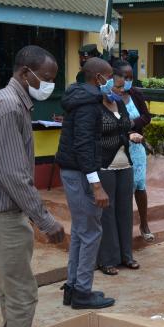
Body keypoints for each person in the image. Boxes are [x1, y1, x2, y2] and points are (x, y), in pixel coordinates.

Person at [0, 46, 66, 327]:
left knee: (12, 286)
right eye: (46, 78)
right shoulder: (9, 107)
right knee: (23, 294)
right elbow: (14, 176)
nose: (49, 86)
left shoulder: (12, 102)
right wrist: (45, 220)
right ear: (25, 73)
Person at [55, 57, 115, 310]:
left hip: (73, 171)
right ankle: (82, 292)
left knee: (81, 230)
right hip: (80, 173)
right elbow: (83, 145)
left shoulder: (80, 97)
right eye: (110, 76)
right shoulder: (88, 104)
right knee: (91, 232)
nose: (112, 81)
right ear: (98, 77)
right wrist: (97, 185)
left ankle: (73, 286)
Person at [95, 67, 137, 275]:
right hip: (105, 165)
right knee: (107, 213)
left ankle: (126, 255)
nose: (121, 90)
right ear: (106, 85)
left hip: (125, 164)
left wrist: (131, 134)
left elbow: (125, 127)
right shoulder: (95, 106)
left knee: (125, 211)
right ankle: (107, 259)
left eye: (122, 87)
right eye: (118, 86)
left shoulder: (120, 103)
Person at [115, 60, 154, 242]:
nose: (128, 80)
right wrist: (125, 129)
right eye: (125, 77)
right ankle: (123, 228)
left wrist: (133, 124)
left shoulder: (136, 94)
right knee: (124, 188)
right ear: (115, 77)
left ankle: (144, 223)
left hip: (137, 146)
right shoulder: (109, 96)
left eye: (131, 77)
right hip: (118, 147)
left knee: (140, 184)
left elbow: (147, 117)